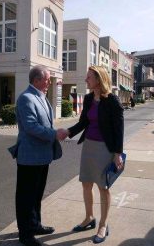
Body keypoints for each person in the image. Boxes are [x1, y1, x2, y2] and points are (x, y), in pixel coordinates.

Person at [66, 65, 124, 244]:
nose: (86, 80)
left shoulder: (112, 101)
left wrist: (117, 153)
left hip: (105, 149)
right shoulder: (90, 98)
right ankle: (89, 218)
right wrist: (67, 132)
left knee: (103, 188)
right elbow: (83, 122)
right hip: (89, 146)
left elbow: (118, 129)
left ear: (99, 79)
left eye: (89, 77)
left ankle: (103, 225)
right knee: (86, 184)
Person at [15, 65, 67, 246]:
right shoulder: (26, 98)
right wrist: (54, 134)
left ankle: (35, 225)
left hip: (42, 157)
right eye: (46, 79)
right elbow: (31, 127)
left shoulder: (41, 97)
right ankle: (25, 235)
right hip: (29, 157)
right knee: (26, 197)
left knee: (37, 194)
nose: (49, 82)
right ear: (36, 80)